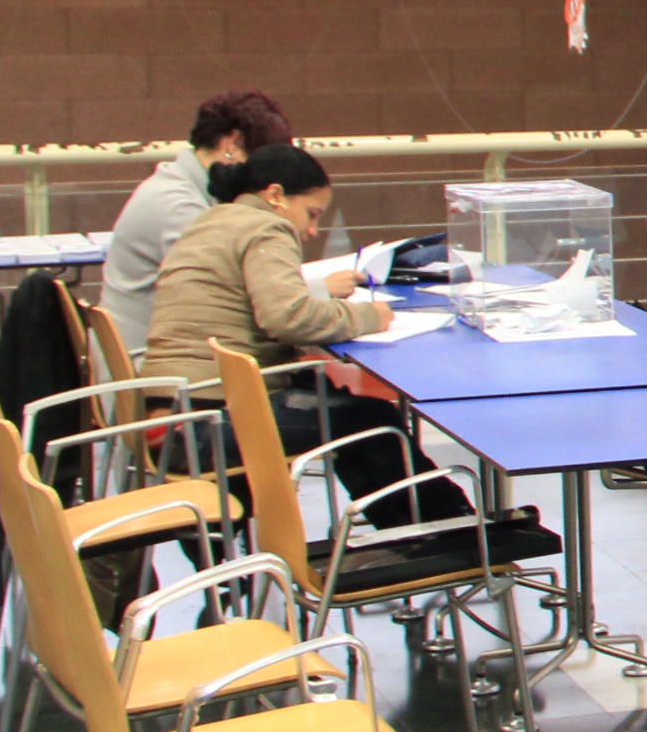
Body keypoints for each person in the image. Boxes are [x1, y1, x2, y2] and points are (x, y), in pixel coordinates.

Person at [140, 142, 417, 517]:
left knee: (330, 399)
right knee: (373, 421)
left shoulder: (212, 219)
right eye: (311, 214)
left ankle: (419, 532)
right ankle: (442, 533)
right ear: (275, 196)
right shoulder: (267, 227)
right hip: (204, 427)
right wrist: (368, 316)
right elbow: (289, 317)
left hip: (169, 418)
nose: (313, 231)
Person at [101, 89, 294, 345]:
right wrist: (315, 290)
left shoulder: (174, 186)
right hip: (151, 357)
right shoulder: (180, 207)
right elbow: (234, 295)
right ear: (233, 145)